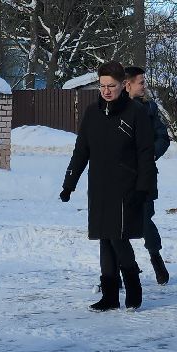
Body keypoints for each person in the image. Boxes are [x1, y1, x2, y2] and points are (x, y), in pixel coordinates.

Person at [61, 61, 157, 311]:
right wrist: (69, 183)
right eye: (102, 86)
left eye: (111, 86)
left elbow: (146, 153)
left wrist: (143, 188)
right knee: (105, 239)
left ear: (123, 85)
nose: (106, 91)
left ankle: (134, 289)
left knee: (119, 238)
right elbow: (81, 150)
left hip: (127, 188)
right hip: (100, 188)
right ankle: (110, 296)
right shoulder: (92, 113)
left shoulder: (135, 113)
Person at [124, 66, 173, 284]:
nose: (144, 86)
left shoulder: (149, 109)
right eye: (141, 82)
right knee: (117, 225)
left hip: (144, 176)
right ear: (128, 85)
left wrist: (151, 154)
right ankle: (123, 269)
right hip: (120, 177)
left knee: (144, 221)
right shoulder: (113, 110)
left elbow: (163, 137)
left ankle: (156, 258)